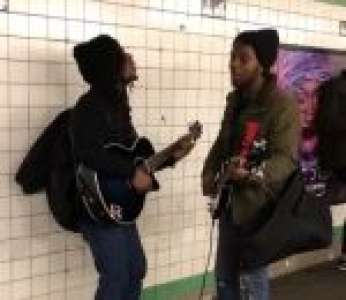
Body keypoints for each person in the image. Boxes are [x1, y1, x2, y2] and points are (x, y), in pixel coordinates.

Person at [70, 34, 195, 300]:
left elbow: (136, 158)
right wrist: (130, 173)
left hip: (119, 203)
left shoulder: (117, 104)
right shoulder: (88, 107)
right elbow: (86, 153)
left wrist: (172, 157)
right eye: (122, 54)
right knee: (115, 277)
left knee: (135, 269)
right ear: (109, 66)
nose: (130, 58)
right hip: (98, 205)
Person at [202, 29, 300, 300]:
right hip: (229, 208)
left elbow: (286, 160)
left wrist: (252, 173)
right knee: (224, 279)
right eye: (232, 56)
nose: (234, 63)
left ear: (263, 65)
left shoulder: (282, 105)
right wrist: (209, 172)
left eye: (243, 58)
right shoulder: (235, 102)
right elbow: (222, 143)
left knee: (250, 284)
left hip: (258, 211)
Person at [315, 70, 346, 271]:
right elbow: (332, 122)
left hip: (333, 157)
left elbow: (324, 123)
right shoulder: (338, 89)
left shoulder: (330, 85)